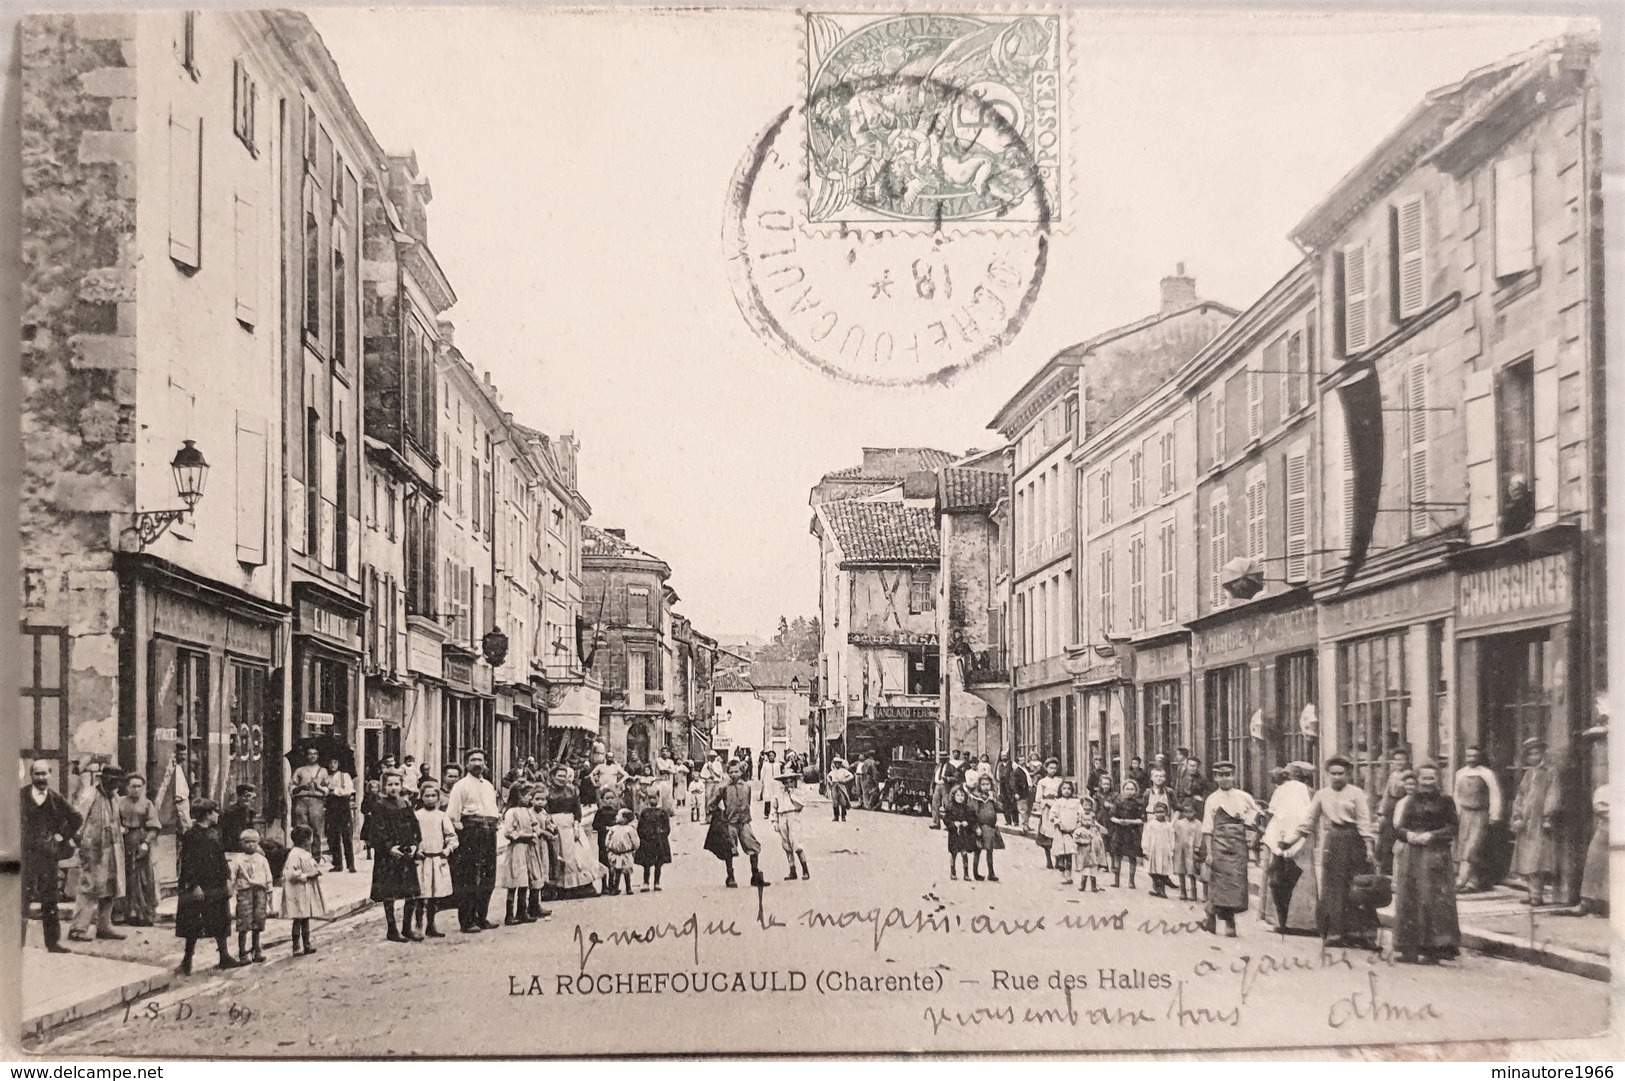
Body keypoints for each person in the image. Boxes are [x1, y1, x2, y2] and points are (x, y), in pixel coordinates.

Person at [1297, 755, 1378, 946]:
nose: (1336, 777)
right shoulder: (1321, 794)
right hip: (1333, 841)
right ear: (1327, 775)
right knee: (1333, 886)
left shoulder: (1357, 793)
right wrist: (1295, 839)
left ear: (1348, 774)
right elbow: (1309, 819)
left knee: (1357, 886)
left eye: (1341, 773)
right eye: (1332, 773)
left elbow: (1364, 820)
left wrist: (1369, 847)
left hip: (1355, 840)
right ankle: (1335, 933)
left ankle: (1361, 935)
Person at [1392, 762, 1461, 963]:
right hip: (1412, 856)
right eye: (1424, 778)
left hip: (1435, 854)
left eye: (1432, 778)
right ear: (1418, 780)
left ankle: (1435, 949)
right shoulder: (1411, 801)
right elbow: (1399, 827)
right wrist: (1409, 835)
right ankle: (1409, 948)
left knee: (1432, 899)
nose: (1427, 782)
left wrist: (1432, 835)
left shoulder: (1446, 801)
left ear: (1437, 779)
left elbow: (1452, 827)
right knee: (1410, 897)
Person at [176, 800, 243, 975]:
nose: (217, 815)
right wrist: (194, 885)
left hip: (216, 883)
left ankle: (224, 956)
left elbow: (221, 859)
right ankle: (187, 960)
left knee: (220, 919)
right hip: (199, 885)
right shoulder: (192, 835)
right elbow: (188, 863)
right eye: (215, 812)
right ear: (207, 814)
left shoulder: (215, 833)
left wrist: (228, 879)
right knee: (193, 923)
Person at [22, 760, 81, 953]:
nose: (40, 778)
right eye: (37, 774)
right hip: (25, 856)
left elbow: (76, 818)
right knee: (21, 899)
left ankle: (53, 942)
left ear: (50, 774)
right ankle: (16, 943)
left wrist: (62, 836)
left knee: (50, 899)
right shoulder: (20, 796)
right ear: (31, 775)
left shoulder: (56, 799)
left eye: (44, 774)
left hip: (47, 856)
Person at [1200, 761, 1262, 937]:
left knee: (1236, 885)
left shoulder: (1244, 797)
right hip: (1219, 845)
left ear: (1234, 776)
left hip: (1238, 846)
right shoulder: (1212, 799)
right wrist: (1210, 853)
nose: (1224, 778)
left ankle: (1218, 915)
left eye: (1228, 774)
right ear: (1216, 777)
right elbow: (1207, 828)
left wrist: (1255, 834)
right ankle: (1222, 919)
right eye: (1220, 775)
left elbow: (1257, 818)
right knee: (1219, 883)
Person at [69, 766, 127, 942]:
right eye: (112, 780)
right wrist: (80, 843)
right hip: (93, 849)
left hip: (111, 848)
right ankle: (78, 928)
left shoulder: (114, 797)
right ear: (104, 779)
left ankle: (104, 925)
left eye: (117, 781)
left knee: (110, 886)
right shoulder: (90, 795)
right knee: (90, 886)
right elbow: (76, 819)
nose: (115, 784)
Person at [1260, 762, 1318, 934]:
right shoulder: (1311, 792)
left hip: (1281, 837)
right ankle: (1305, 921)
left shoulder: (1281, 791)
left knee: (1278, 876)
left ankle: (1279, 919)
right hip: (1303, 837)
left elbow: (1273, 814)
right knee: (1303, 875)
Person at [446, 749, 501, 931]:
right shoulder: (461, 786)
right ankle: (467, 920)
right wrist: (463, 830)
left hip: (489, 832)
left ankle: (481, 917)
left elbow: (492, 810)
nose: (477, 763)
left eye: (480, 760)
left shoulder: (488, 785)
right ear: (467, 764)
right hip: (471, 833)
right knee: (469, 877)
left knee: (488, 876)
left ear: (485, 764)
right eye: (473, 760)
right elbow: (453, 815)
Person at [367, 770, 422, 942]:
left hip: (406, 852)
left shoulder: (405, 804)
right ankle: (392, 930)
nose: (393, 788)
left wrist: (414, 845)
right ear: (384, 786)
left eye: (396, 784)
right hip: (388, 855)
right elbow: (377, 830)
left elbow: (414, 826)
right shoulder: (379, 805)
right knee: (389, 894)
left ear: (401, 785)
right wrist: (390, 847)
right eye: (390, 784)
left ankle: (407, 928)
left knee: (411, 893)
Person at [1510, 737, 1562, 906]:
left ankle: (1537, 895)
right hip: (1526, 822)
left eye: (1537, 753)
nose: (1534, 757)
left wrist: (1548, 816)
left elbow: (1552, 795)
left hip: (1539, 822)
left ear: (1542, 753)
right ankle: (1532, 892)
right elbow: (1520, 795)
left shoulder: (1550, 772)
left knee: (1537, 859)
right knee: (1526, 858)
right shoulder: (1528, 773)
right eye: (1530, 754)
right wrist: (1517, 815)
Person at [708, 761, 769, 888]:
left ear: (741, 772)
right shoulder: (723, 787)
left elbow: (748, 802)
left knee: (753, 846)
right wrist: (720, 815)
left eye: (736, 771)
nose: (734, 774)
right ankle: (730, 876)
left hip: (744, 821)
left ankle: (755, 875)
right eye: (731, 772)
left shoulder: (747, 786)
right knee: (729, 849)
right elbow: (712, 803)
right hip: (730, 822)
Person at [544, 766, 603, 897]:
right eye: (559, 776)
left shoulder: (572, 790)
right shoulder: (547, 792)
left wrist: (576, 824)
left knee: (578, 855)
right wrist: (549, 823)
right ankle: (558, 888)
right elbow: (545, 810)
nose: (562, 779)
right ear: (552, 776)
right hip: (556, 826)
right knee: (559, 856)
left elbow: (577, 810)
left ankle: (579, 886)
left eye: (564, 776)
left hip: (571, 825)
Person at [1452, 745, 1503, 893]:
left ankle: (1462, 879)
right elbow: (1456, 795)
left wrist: (1495, 814)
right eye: (1469, 756)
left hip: (1480, 814)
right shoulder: (1460, 773)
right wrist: (1455, 813)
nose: (1471, 759)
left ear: (1480, 757)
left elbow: (1495, 794)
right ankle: (1472, 881)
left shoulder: (1487, 773)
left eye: (1475, 756)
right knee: (1463, 847)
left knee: (1473, 847)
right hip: (1464, 814)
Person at [410, 780, 458, 937]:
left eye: (433, 796)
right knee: (421, 896)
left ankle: (431, 925)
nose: (430, 799)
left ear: (438, 797)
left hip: (437, 859)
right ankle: (418, 926)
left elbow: (452, 837)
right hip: (422, 860)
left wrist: (447, 850)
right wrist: (415, 850)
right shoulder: (416, 816)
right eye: (426, 796)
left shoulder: (441, 816)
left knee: (434, 896)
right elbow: (411, 837)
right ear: (421, 797)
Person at [498, 783, 548, 923]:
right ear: (518, 795)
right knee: (515, 880)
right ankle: (509, 914)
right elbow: (508, 831)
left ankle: (522, 912)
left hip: (529, 849)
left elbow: (535, 825)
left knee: (525, 880)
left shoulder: (527, 812)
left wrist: (536, 832)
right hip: (517, 848)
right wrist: (522, 835)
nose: (529, 799)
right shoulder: (511, 812)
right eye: (527, 796)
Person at [117, 773, 161, 926]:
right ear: (127, 787)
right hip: (122, 842)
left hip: (140, 841)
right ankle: (123, 913)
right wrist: (120, 828)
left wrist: (146, 843)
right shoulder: (119, 802)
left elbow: (153, 827)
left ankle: (143, 914)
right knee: (123, 877)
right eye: (132, 786)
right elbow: (113, 820)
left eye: (139, 786)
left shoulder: (147, 804)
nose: (136, 789)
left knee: (142, 879)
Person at [231, 827, 274, 964]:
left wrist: (270, 891)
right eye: (247, 842)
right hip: (245, 893)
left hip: (260, 891)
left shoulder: (262, 859)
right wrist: (230, 888)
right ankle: (242, 952)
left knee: (258, 920)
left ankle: (256, 950)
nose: (250, 845)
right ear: (241, 843)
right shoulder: (238, 859)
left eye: (253, 842)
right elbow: (232, 876)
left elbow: (268, 876)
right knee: (244, 921)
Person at [282, 824, 325, 956]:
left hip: (304, 892)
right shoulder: (295, 854)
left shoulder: (305, 853)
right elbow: (291, 874)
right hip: (297, 893)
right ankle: (296, 946)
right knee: (298, 919)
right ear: (306, 840)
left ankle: (307, 944)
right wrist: (306, 875)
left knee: (305, 919)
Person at [1374, 746, 1412, 876]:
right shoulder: (1393, 775)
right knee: (1387, 837)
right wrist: (1382, 812)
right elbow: (1386, 793)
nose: (1399, 762)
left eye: (1402, 759)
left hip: (1405, 804)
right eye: (1396, 760)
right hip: (1391, 806)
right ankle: (1386, 869)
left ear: (1407, 760)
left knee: (1400, 834)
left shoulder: (1410, 775)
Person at [290, 748, 331, 862]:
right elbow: (292, 787)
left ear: (318, 756)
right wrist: (302, 787)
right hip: (302, 800)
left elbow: (328, 789)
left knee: (316, 829)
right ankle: (301, 857)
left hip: (317, 801)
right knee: (301, 829)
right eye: (310, 754)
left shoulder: (323, 771)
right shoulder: (300, 770)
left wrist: (319, 787)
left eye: (315, 754)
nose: (312, 756)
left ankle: (315, 857)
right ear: (306, 756)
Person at [635, 776, 674, 891]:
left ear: (658, 798)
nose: (652, 801)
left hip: (659, 841)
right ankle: (646, 882)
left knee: (658, 863)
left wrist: (661, 833)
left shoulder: (662, 812)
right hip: (647, 841)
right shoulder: (645, 812)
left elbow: (667, 827)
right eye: (650, 798)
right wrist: (644, 835)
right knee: (647, 863)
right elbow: (640, 827)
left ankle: (657, 882)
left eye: (654, 798)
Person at [772, 769, 811, 881]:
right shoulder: (778, 793)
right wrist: (775, 821)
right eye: (785, 782)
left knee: (797, 843)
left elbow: (800, 805)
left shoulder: (798, 793)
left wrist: (791, 794)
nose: (788, 784)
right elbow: (774, 807)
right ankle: (792, 870)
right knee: (786, 844)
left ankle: (805, 870)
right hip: (782, 817)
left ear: (794, 782)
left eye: (790, 782)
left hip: (793, 816)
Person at [1108, 777, 1146, 889]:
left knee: (1132, 857)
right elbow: (1112, 816)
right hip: (1119, 832)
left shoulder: (1138, 803)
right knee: (1117, 856)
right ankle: (1116, 880)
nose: (1129, 791)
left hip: (1132, 833)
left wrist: (1129, 822)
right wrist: (1118, 821)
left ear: (1136, 790)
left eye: (1132, 789)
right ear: (1123, 790)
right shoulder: (1119, 801)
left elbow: (1141, 819)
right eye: (1127, 789)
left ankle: (1131, 881)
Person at [1045, 781, 1085, 885]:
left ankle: (1068, 874)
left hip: (1072, 832)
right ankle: (1061, 873)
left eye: (1069, 789)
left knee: (1069, 854)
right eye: (1064, 788)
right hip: (1061, 832)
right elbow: (1052, 815)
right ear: (1060, 790)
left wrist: (1079, 824)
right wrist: (1057, 822)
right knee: (1061, 853)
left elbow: (1081, 814)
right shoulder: (1058, 802)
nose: (1066, 791)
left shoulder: (1076, 802)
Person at [1031, 758, 1064, 868]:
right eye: (1051, 768)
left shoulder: (1059, 781)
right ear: (1046, 768)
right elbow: (1038, 798)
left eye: (1055, 768)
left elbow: (1062, 794)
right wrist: (1046, 802)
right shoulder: (1042, 782)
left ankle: (1058, 860)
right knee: (1047, 835)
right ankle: (1048, 859)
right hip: (1047, 810)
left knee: (1058, 834)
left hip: (1057, 809)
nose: (1053, 770)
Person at [326, 758, 357, 873]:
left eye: (335, 762)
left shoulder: (344, 776)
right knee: (333, 836)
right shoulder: (326, 776)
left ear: (339, 763)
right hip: (331, 807)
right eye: (330, 763)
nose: (332, 765)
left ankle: (351, 864)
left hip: (343, 807)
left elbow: (348, 791)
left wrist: (334, 790)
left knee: (346, 836)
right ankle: (337, 864)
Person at [1142, 801, 1177, 898]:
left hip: (1164, 850)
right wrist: (1145, 848)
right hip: (1153, 849)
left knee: (1162, 870)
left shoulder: (1168, 826)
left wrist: (1171, 849)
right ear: (1154, 813)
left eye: (1162, 812)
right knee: (1152, 870)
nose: (1159, 814)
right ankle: (1156, 888)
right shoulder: (1151, 824)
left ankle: (1162, 890)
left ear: (1166, 812)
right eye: (1157, 812)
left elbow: (1171, 838)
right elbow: (1146, 836)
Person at [1074, 796, 1108, 893]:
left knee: (1093, 869)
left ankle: (1093, 886)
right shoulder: (1080, 830)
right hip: (1084, 852)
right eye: (1085, 820)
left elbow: (1103, 835)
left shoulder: (1094, 831)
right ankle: (1082, 884)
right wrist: (1083, 841)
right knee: (1085, 869)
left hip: (1094, 853)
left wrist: (1097, 826)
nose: (1087, 821)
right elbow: (1076, 839)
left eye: (1089, 820)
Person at [944, 785, 977, 880]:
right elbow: (946, 820)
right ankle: (953, 872)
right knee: (953, 853)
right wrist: (953, 824)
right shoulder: (950, 808)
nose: (960, 797)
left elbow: (972, 818)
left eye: (962, 795)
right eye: (958, 795)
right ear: (954, 796)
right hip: (954, 834)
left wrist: (967, 822)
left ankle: (966, 873)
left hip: (964, 834)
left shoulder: (967, 808)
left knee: (964, 852)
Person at [605, 809, 640, 897]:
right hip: (615, 853)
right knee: (617, 870)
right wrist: (608, 846)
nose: (616, 817)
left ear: (625, 818)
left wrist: (634, 848)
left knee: (626, 870)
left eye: (619, 815)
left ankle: (628, 887)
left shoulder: (629, 829)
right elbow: (608, 838)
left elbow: (635, 840)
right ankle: (615, 887)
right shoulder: (614, 828)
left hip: (626, 853)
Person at [1173, 798, 1202, 901]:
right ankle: (1183, 891)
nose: (1188, 814)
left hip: (1191, 850)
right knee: (1181, 870)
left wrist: (1197, 847)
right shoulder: (1179, 823)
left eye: (1191, 811)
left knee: (1192, 871)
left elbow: (1199, 836)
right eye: (1186, 812)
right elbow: (1174, 833)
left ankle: (1193, 892)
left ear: (1195, 811)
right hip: (1180, 849)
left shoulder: (1198, 824)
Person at [358, 778, 382, 861]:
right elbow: (363, 808)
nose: (374, 790)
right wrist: (367, 812)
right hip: (369, 819)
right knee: (367, 836)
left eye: (376, 788)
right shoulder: (367, 798)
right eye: (372, 788)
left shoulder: (380, 798)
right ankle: (368, 851)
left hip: (378, 820)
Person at [1010, 757, 1034, 829]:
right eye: (1020, 760)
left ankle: (1026, 824)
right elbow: (1013, 783)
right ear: (1018, 762)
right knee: (1023, 809)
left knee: (1029, 809)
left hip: (1028, 790)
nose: (1022, 762)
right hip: (1021, 792)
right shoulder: (1016, 771)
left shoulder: (1026, 769)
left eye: (1023, 760)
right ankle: (1024, 826)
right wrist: (1016, 793)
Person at [827, 757, 854, 821]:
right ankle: (836, 816)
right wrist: (830, 781)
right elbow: (828, 776)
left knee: (843, 801)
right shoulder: (833, 771)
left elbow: (851, 775)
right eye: (836, 763)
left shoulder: (843, 770)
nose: (837, 765)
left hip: (841, 785)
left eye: (838, 763)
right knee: (835, 802)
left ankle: (843, 816)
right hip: (834, 786)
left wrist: (845, 780)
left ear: (840, 764)